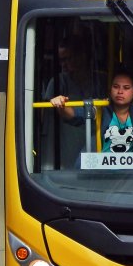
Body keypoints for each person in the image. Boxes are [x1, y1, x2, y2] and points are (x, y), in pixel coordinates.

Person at [50, 71, 133, 155]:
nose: (120, 92)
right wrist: (61, 105)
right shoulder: (100, 107)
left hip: (131, 176)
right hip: (103, 174)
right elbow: (73, 113)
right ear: (110, 89)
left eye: (126, 88)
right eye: (116, 87)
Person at [43, 35, 107, 167]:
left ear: (82, 56)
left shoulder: (101, 80)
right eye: (61, 60)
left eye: (68, 58)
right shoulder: (57, 82)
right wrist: (60, 105)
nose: (63, 64)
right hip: (67, 148)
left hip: (97, 145)